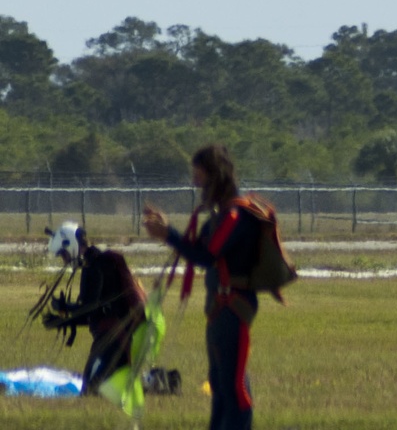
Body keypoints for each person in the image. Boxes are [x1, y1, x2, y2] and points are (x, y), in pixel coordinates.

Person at [142, 144, 260, 430]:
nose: (195, 183)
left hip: (233, 309)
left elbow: (207, 257)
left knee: (233, 386)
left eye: (199, 176)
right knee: (219, 382)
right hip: (219, 309)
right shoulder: (220, 217)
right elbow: (198, 248)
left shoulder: (235, 217)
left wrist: (168, 235)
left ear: (214, 176)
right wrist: (167, 230)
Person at [42, 222, 146, 395]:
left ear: (71, 245)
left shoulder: (95, 267)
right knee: (101, 390)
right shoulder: (96, 264)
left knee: (91, 391)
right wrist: (62, 320)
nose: (65, 260)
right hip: (113, 341)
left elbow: (90, 308)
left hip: (113, 342)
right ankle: (148, 383)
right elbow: (94, 312)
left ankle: (159, 383)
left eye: (63, 254)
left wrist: (65, 310)